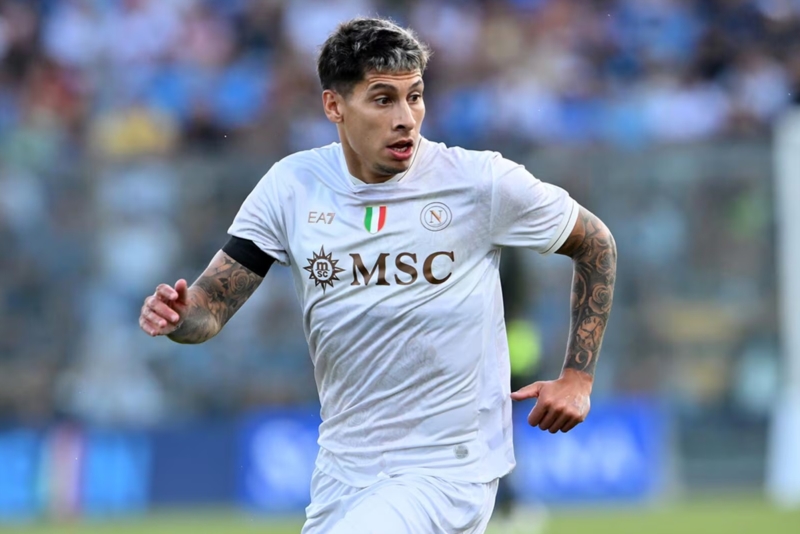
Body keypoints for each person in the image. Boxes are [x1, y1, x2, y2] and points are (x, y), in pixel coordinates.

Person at [138, 17, 617, 534]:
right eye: (383, 99)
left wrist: (578, 377)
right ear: (334, 106)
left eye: (415, 97)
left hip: (447, 467)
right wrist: (180, 316)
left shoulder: (479, 182)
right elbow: (210, 308)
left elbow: (595, 242)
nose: (406, 118)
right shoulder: (291, 187)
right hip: (342, 469)